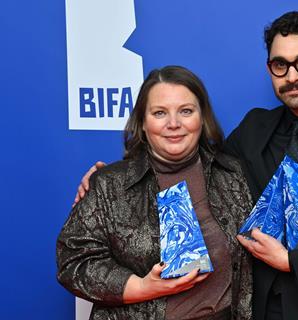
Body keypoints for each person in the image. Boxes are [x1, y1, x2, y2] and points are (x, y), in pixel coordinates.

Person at [75, 11, 298, 320]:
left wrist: (293, 262)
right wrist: (109, 181)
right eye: (280, 65)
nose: (291, 77)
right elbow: (189, 160)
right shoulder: (254, 129)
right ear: (269, 69)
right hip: (256, 309)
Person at [57, 66, 253, 320]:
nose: (174, 124)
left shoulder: (232, 173)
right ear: (142, 122)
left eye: (186, 111)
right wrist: (139, 287)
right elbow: (73, 262)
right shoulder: (109, 184)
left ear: (202, 119)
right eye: (160, 113)